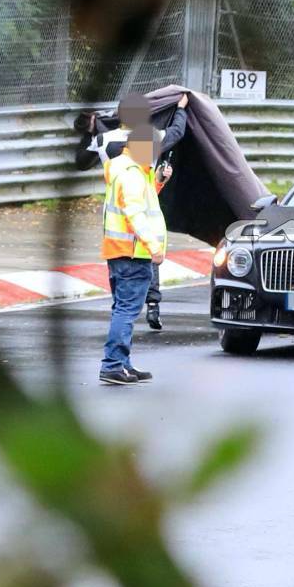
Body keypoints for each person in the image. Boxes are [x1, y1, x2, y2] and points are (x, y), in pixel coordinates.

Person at [100, 95, 168, 385]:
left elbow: (141, 200)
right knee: (126, 311)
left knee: (122, 309)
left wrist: (160, 181)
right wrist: (153, 245)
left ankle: (122, 364)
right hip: (132, 252)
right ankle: (113, 365)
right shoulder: (131, 174)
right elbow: (135, 211)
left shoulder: (129, 171)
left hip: (120, 252)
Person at [144, 91, 190, 330]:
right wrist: (181, 109)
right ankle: (147, 306)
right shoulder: (146, 143)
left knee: (145, 269)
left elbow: (149, 190)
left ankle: (152, 306)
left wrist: (160, 179)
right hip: (134, 230)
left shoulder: (116, 150)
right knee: (140, 271)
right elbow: (176, 132)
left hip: (128, 232)